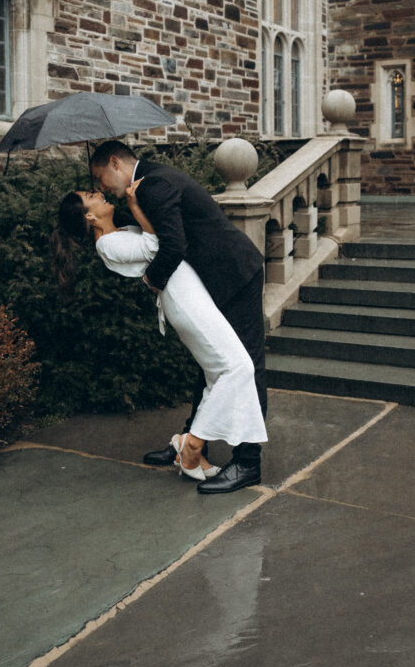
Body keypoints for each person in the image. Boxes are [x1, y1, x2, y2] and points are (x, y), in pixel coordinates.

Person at [52, 184, 267, 482]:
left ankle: (189, 444)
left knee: (217, 374)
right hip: (184, 299)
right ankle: (192, 445)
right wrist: (137, 205)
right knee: (238, 367)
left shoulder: (117, 233)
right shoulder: (107, 245)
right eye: (91, 197)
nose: (98, 193)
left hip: (189, 292)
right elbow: (157, 245)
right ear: (89, 217)